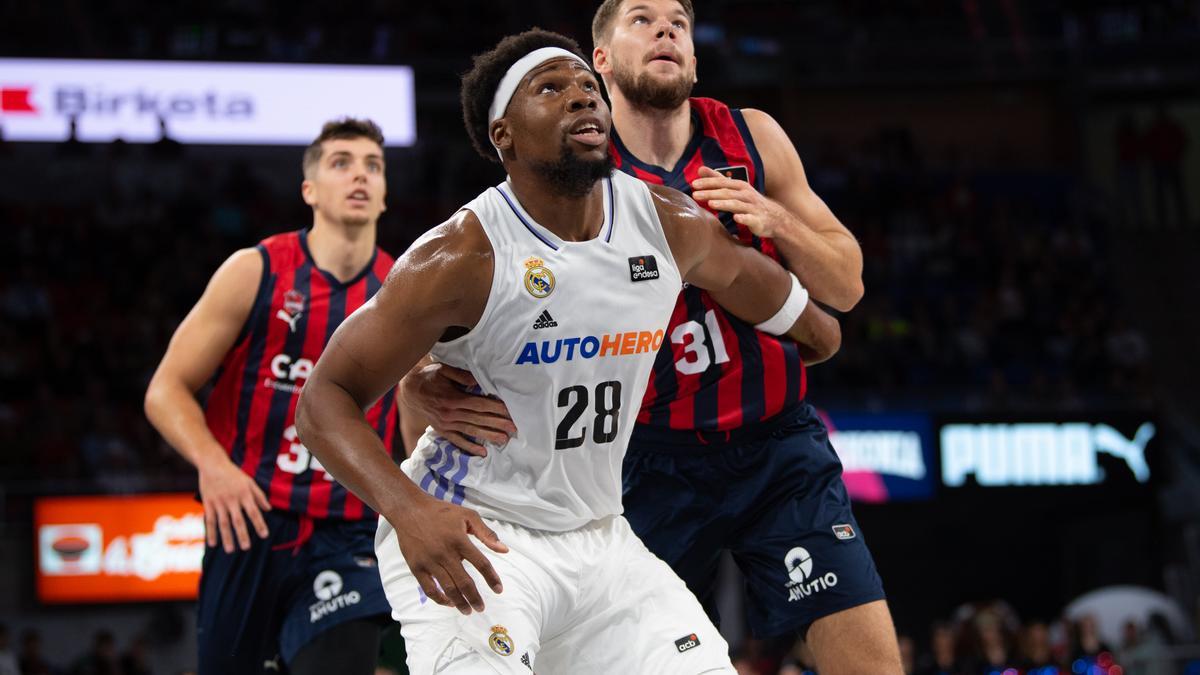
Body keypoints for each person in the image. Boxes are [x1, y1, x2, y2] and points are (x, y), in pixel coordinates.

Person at [295, 29, 841, 674]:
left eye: (588, 87)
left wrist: (816, 333)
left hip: (602, 541)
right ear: (504, 135)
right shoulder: (460, 255)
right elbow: (322, 402)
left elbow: (768, 292)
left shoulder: (666, 220)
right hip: (476, 534)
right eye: (550, 89)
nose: (582, 99)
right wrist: (409, 512)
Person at [144, 118, 399, 675]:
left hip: (347, 529)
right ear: (309, 190)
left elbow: (422, 414)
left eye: (372, 166)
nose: (360, 174)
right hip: (251, 518)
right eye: (341, 162)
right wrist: (214, 467)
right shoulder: (254, 271)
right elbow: (166, 390)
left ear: (384, 194)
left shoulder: (404, 292)